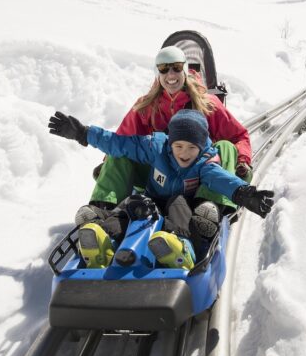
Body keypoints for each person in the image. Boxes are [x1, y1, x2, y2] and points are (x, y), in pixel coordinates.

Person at [49, 108, 275, 270]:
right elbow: (119, 144)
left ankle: (181, 250)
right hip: (152, 200)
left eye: (191, 148)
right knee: (127, 209)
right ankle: (103, 242)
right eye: (178, 146)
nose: (184, 153)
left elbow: (222, 178)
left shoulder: (204, 162)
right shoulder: (155, 147)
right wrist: (84, 134)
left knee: (178, 206)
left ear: (202, 146)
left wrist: (245, 193)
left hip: (182, 207)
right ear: (170, 143)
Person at [90, 45, 252, 211]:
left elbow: (239, 136)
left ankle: (208, 208)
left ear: (185, 69)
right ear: (157, 73)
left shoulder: (208, 104)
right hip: (159, 179)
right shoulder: (146, 106)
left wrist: (242, 162)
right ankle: (102, 206)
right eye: (164, 69)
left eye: (177, 67)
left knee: (226, 146)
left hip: (199, 179)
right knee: (120, 151)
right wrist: (107, 166)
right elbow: (122, 139)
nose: (171, 74)